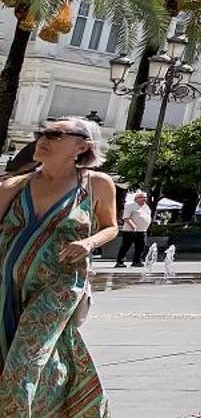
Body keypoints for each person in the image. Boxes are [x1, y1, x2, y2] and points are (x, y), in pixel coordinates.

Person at [0, 116, 116, 415]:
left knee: (24, 360)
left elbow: (111, 226)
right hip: (5, 288)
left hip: (59, 286)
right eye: (42, 132)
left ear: (82, 146)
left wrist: (89, 243)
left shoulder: (95, 184)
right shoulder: (15, 185)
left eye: (55, 134)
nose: (43, 138)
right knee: (33, 356)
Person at [112, 190, 152, 268]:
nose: (144, 199)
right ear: (136, 199)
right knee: (126, 246)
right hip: (130, 230)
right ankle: (120, 262)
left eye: (145, 198)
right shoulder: (130, 206)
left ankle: (137, 261)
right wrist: (133, 225)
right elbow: (126, 217)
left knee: (141, 247)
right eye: (141, 197)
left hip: (142, 230)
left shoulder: (146, 207)